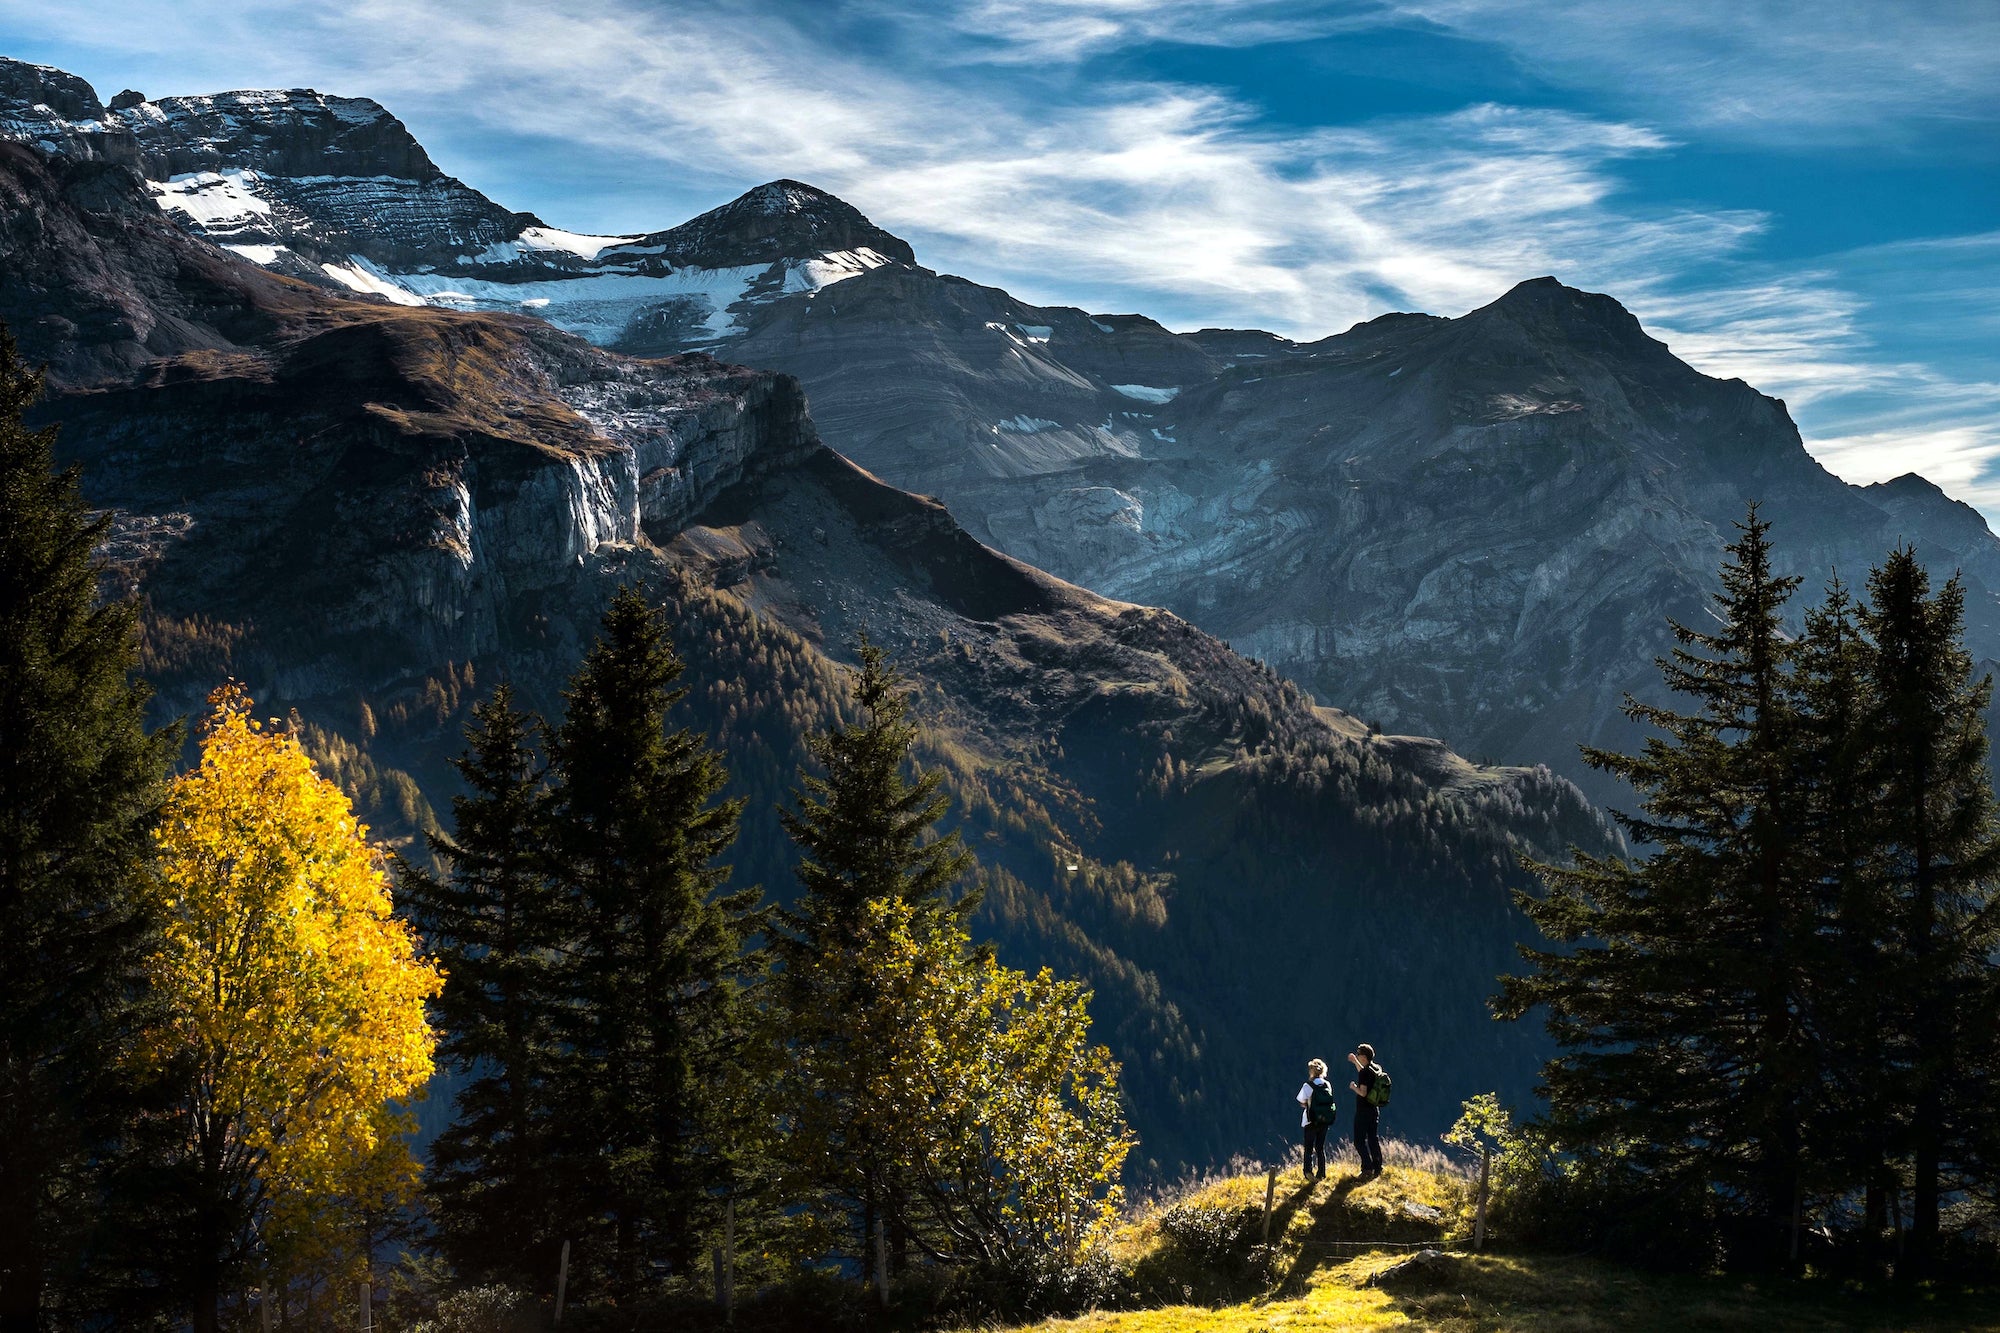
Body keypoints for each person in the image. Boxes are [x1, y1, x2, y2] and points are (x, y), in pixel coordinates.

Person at [1348, 1044, 1384, 1179]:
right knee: (1373, 1139)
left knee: (1359, 1141)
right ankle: (1378, 1166)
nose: (1357, 1055)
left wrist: (1353, 1087)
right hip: (1374, 1110)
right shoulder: (1376, 1068)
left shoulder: (1364, 1072)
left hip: (1363, 1111)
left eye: (1358, 1054)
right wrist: (1354, 1062)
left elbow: (1363, 1092)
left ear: (1363, 1056)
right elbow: (1364, 1072)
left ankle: (1367, 1168)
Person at [1295, 1059, 1336, 1180]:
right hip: (1324, 1120)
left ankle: (1308, 1171)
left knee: (1308, 1147)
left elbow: (1301, 1100)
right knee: (1320, 1147)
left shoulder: (1308, 1085)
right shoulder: (1327, 1085)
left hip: (1310, 1120)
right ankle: (1322, 1173)